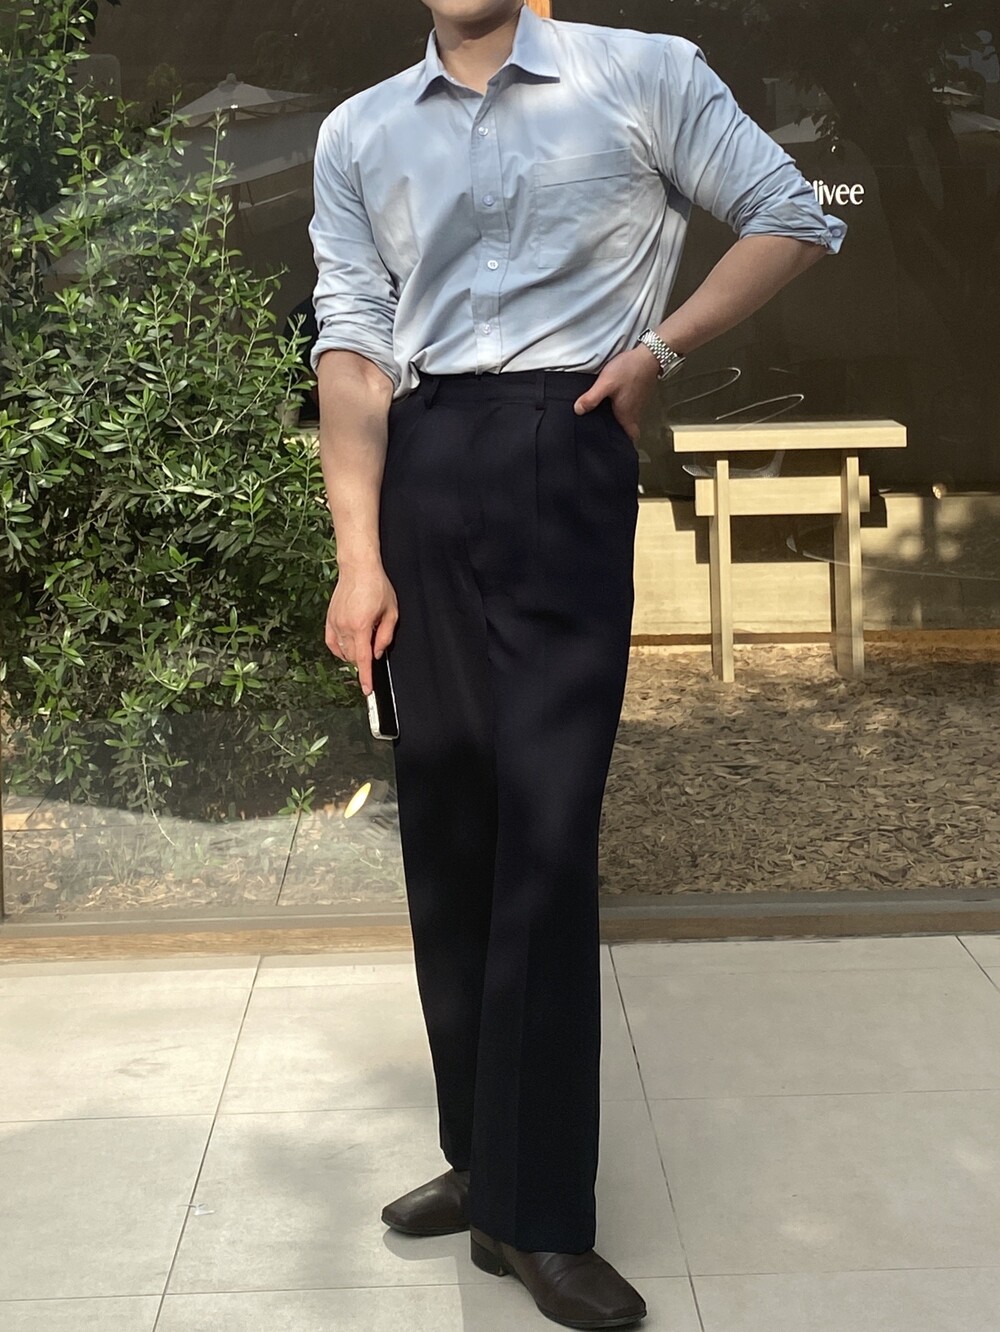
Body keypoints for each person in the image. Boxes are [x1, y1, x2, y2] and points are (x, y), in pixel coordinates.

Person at [308, 3, 846, 1326]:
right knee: (447, 825)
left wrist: (661, 348)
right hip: (426, 460)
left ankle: (540, 1213)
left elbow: (790, 216)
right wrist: (359, 556)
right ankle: (482, 1160)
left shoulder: (642, 73)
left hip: (568, 438)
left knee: (544, 831)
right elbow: (354, 344)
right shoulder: (359, 130)